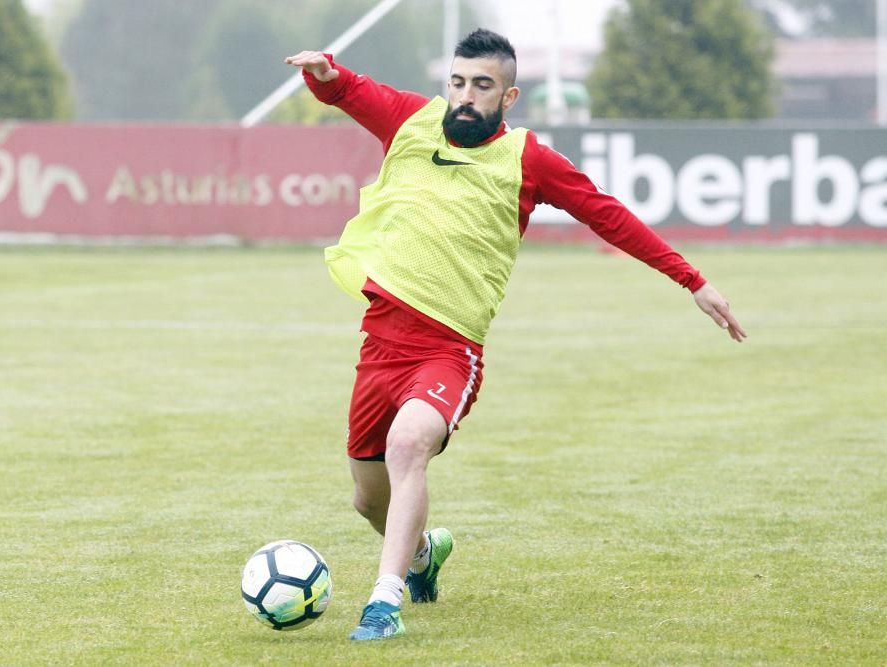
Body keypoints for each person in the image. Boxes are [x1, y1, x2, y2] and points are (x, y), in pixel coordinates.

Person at [285, 28, 746, 642]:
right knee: (368, 499)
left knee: (409, 445)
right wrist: (323, 71)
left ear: (509, 97)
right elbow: (348, 90)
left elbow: (606, 213)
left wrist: (690, 279)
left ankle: (382, 603)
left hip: (449, 351)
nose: (466, 97)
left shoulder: (527, 160)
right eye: (458, 83)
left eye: (482, 86)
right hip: (381, 344)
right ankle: (422, 556)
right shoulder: (412, 121)